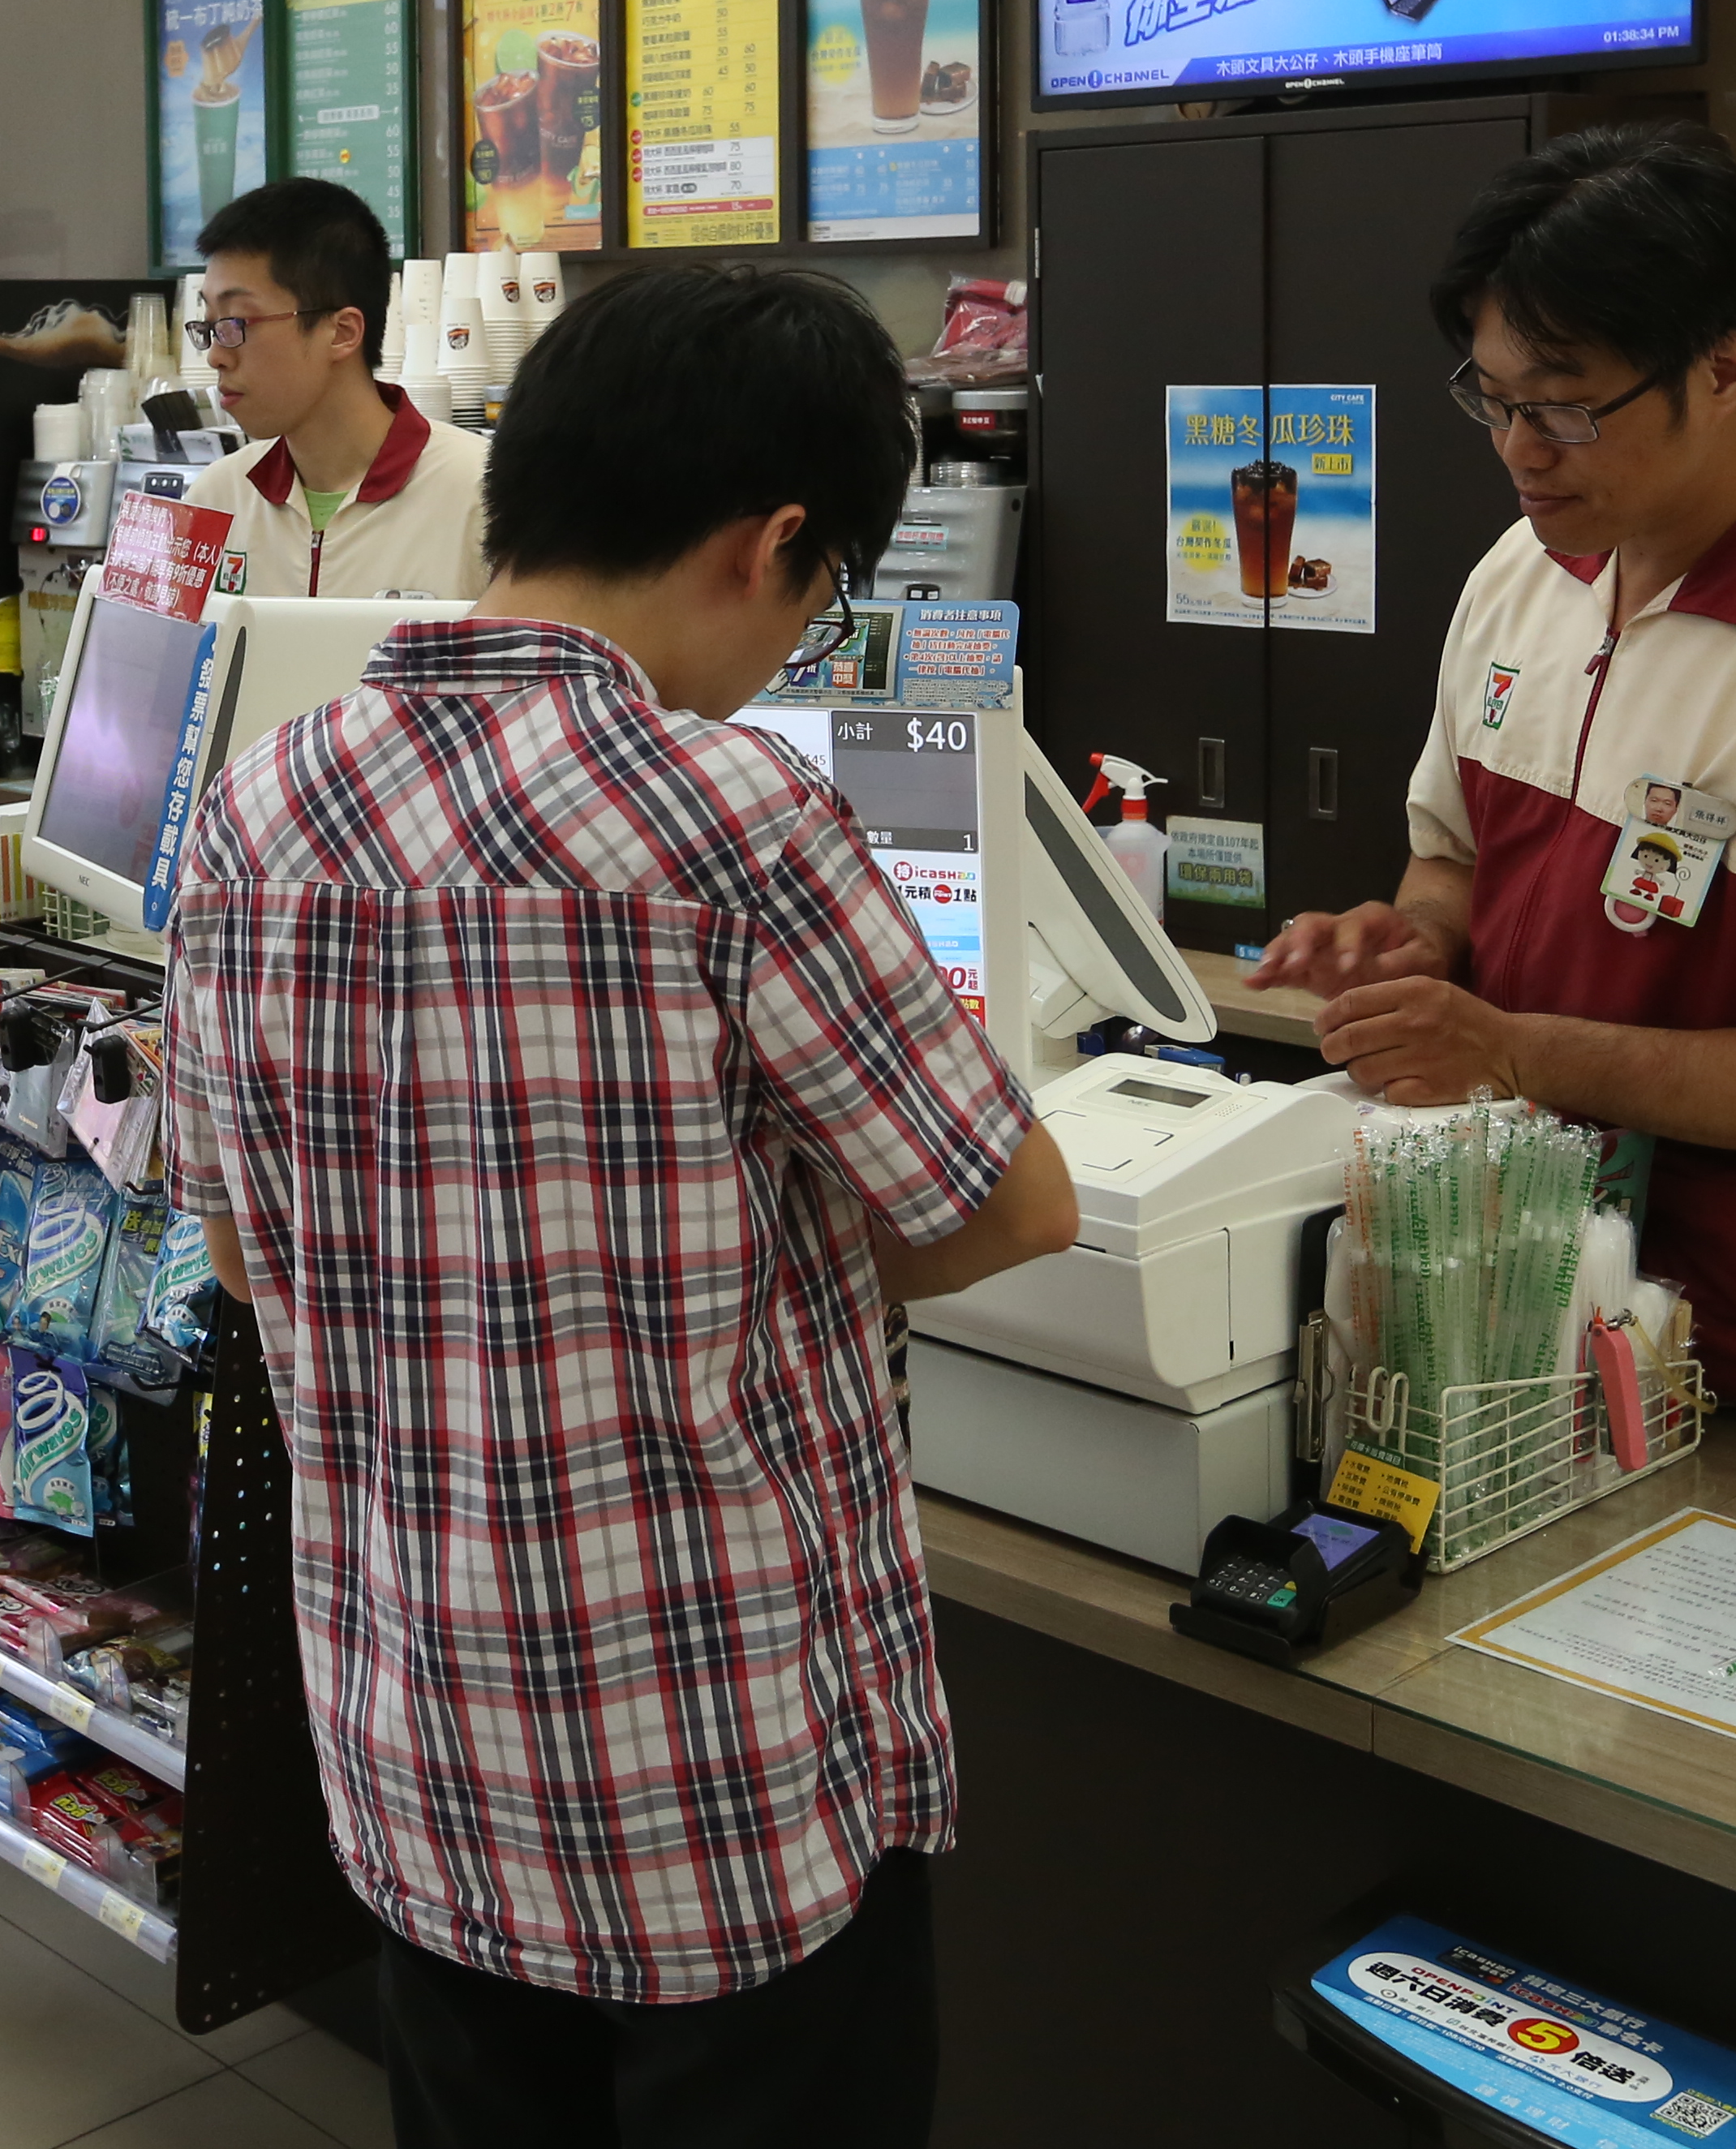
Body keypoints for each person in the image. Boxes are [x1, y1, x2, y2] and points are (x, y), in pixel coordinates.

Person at [161, 262, 1081, 2147]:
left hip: (422, 1751)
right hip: (712, 1782)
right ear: (772, 544)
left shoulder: (257, 803)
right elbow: (1009, 1198)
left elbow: (241, 1248)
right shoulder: (729, 817)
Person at [1252, 123, 1736, 1456]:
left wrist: (1513, 1049)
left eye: (1563, 407)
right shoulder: (1521, 576)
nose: (1519, 450)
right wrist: (1416, 941)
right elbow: (1450, 857)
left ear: (1724, 370)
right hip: (1546, 1329)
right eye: (1491, 399)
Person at [183, 177, 492, 600]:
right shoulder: (214, 498)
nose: (216, 355)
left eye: (237, 322)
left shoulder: (485, 495)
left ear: (342, 332)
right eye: (209, 325)